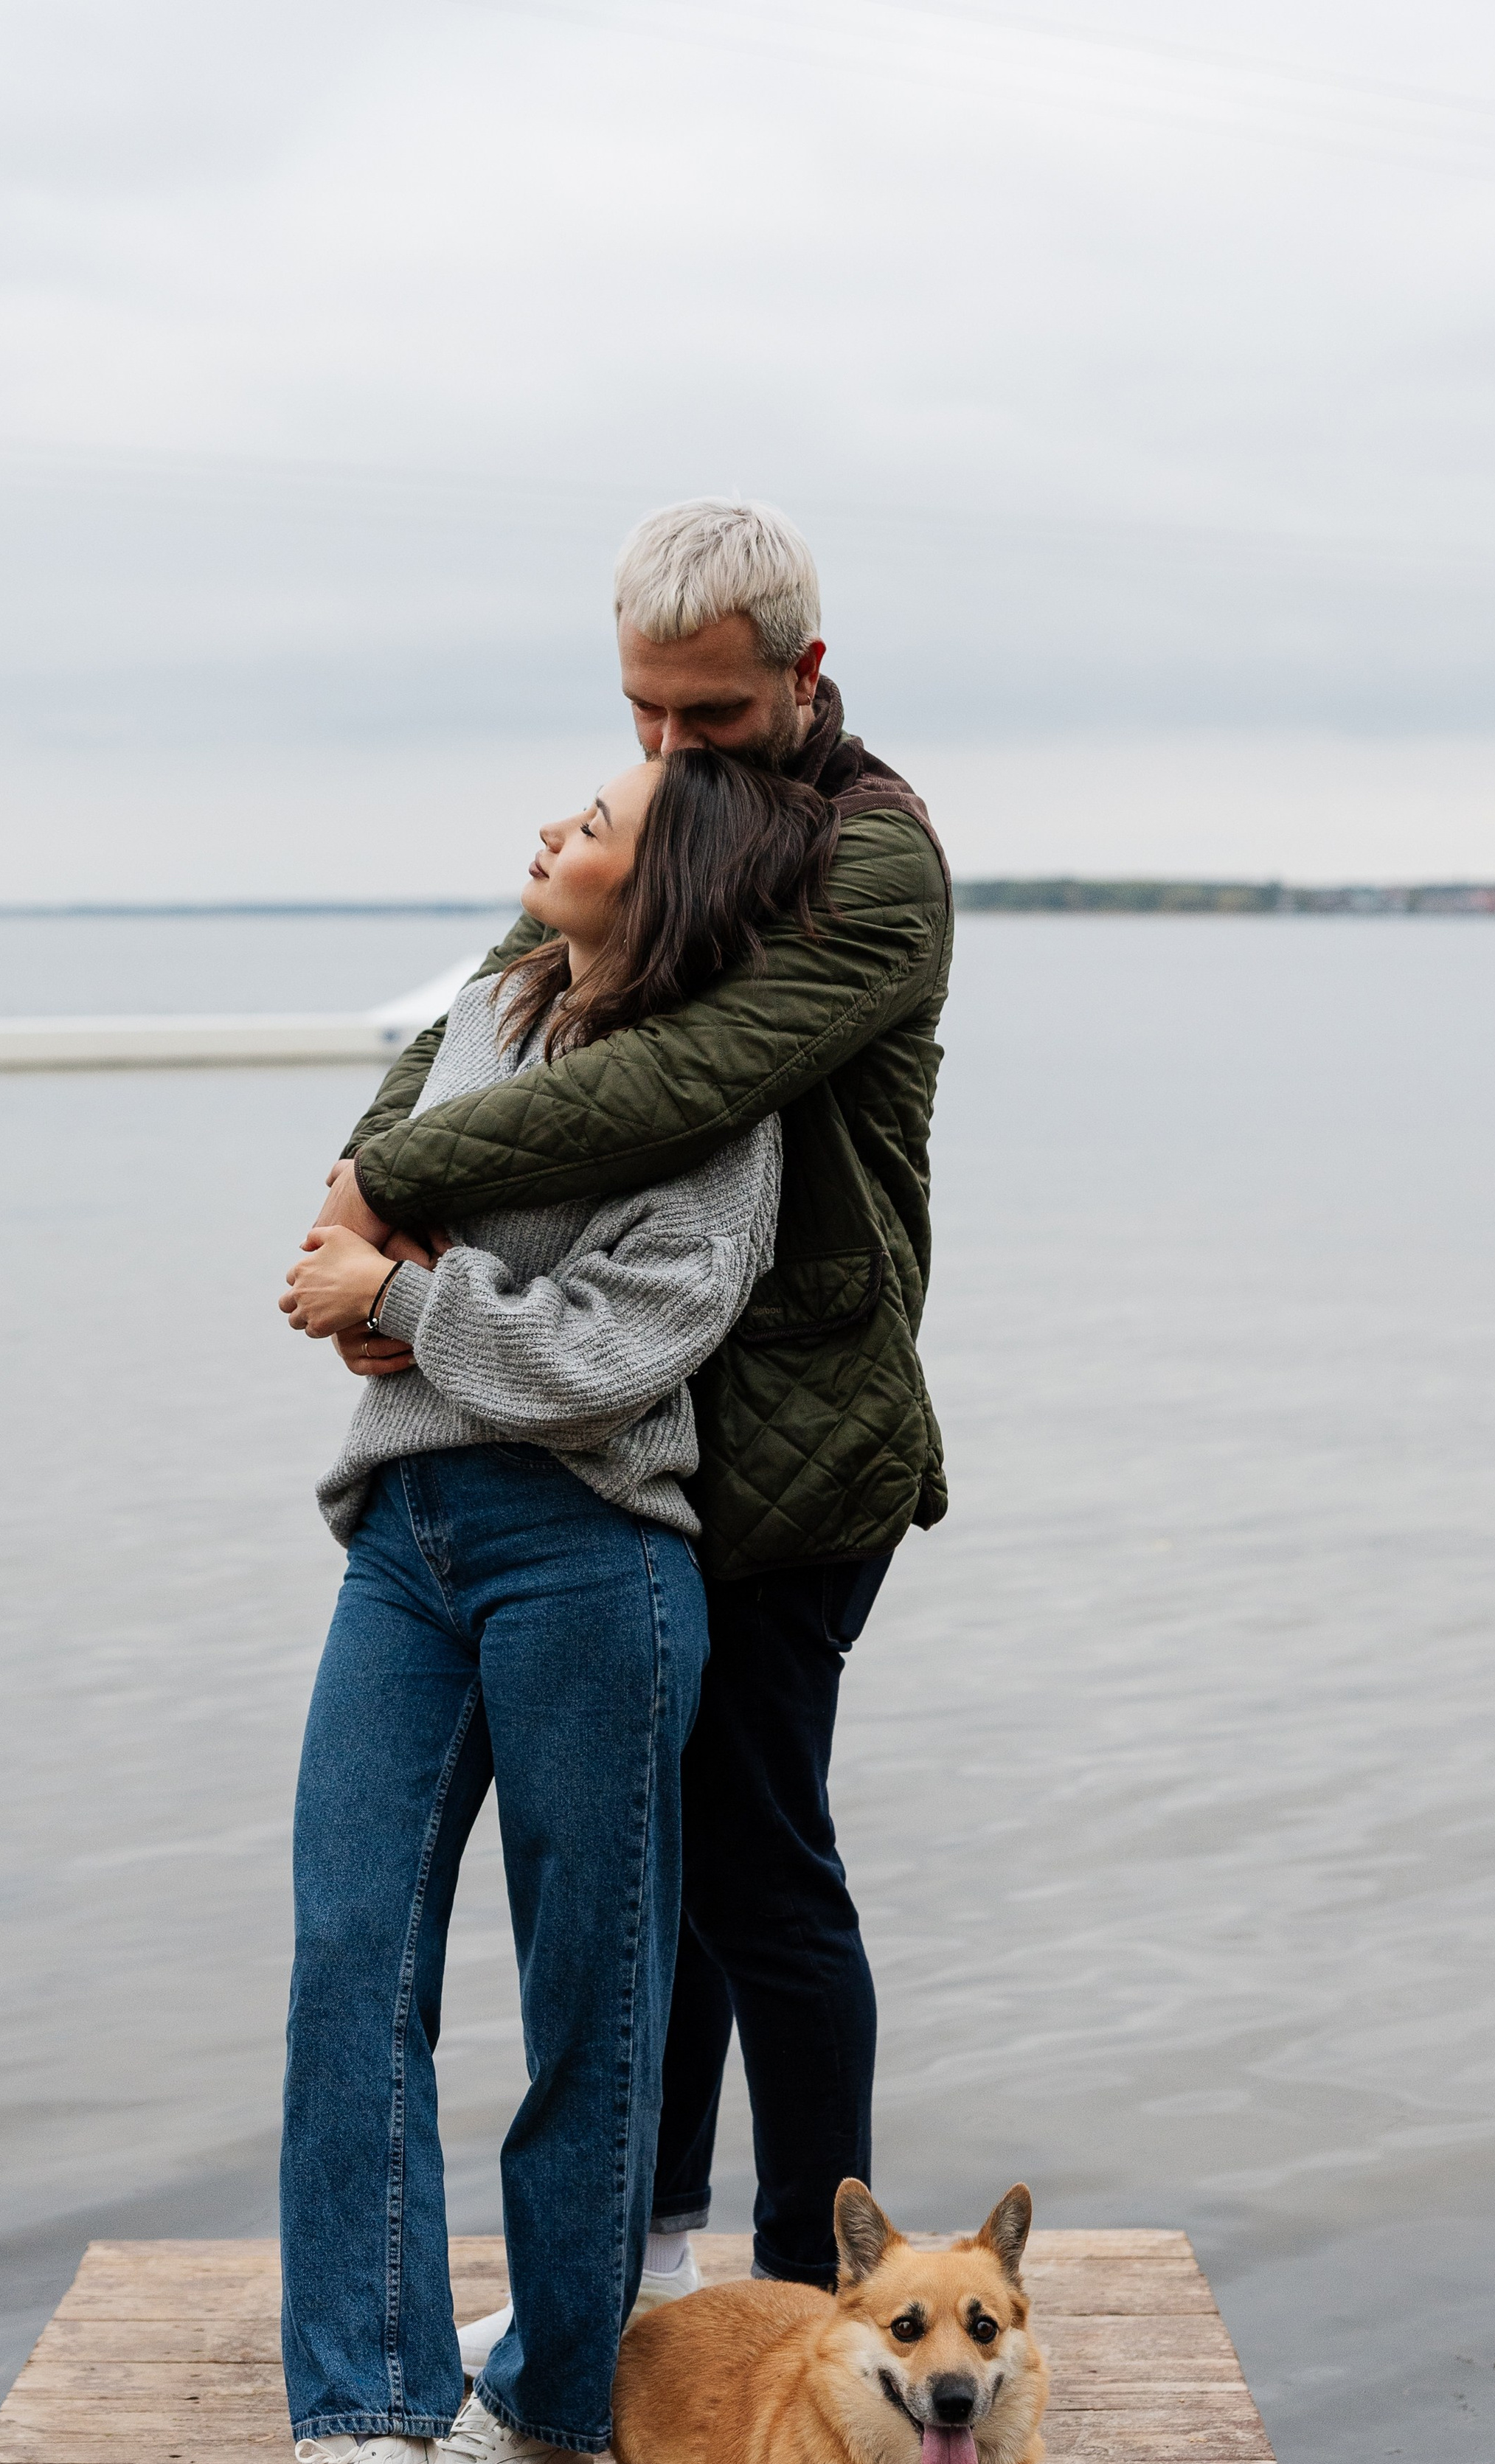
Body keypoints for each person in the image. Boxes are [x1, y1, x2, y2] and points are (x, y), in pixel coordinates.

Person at [311, 499, 951, 2310]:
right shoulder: (665, 813)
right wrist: (370, 1208)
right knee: (652, 1878)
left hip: (797, 1441)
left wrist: (402, 1217)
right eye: (639, 716)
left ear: (802, 679)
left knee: (760, 1866)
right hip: (618, 1423)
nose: (665, 753)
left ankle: (812, 2295)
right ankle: (649, 2263)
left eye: (709, 720)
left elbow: (673, 1081)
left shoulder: (876, 869)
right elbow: (483, 1011)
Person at [275, 746, 837, 2464]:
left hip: (597, 1556)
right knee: (352, 1953)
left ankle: (540, 2407)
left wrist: (414, 1302)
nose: (548, 840)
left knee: (597, 1994)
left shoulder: (715, 1102)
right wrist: (383, 1284)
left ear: (667, 883)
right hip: (403, 1540)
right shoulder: (489, 1008)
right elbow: (360, 1223)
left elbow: (621, 1349)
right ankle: (365, 2431)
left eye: (588, 829)